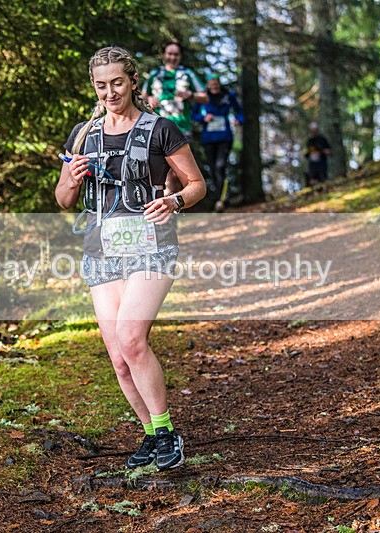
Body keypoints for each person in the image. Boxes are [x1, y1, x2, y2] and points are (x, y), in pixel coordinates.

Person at [55, 46, 206, 471]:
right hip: (100, 250)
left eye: (117, 82)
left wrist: (174, 201)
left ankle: (168, 432)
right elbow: (64, 199)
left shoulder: (161, 130)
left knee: (133, 339)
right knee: (118, 357)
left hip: (152, 246)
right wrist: (72, 177)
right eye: (101, 85)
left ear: (133, 81)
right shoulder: (83, 134)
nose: (110, 92)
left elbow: (197, 185)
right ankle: (153, 435)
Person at [142, 41, 208, 195]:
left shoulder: (188, 74)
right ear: (164, 55)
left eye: (176, 54)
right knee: (160, 168)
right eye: (170, 54)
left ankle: (173, 205)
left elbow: (205, 97)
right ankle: (166, 207)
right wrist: (149, 102)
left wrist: (190, 95)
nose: (172, 57)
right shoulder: (154, 74)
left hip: (181, 127)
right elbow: (141, 98)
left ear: (180, 56)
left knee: (178, 171)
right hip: (157, 127)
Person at [191, 74, 244, 203]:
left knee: (220, 166)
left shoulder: (228, 95)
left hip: (225, 137)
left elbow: (239, 111)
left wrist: (239, 120)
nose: (214, 87)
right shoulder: (203, 98)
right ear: (207, 85)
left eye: (216, 84)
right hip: (208, 138)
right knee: (213, 167)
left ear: (219, 84)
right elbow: (194, 114)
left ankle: (222, 197)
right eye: (211, 84)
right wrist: (203, 118)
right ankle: (218, 197)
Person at [305, 122, 332, 186]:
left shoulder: (322, 139)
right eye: (312, 130)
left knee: (322, 178)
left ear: (317, 130)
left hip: (322, 163)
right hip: (313, 164)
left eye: (315, 130)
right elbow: (308, 152)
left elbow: (329, 151)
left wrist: (324, 151)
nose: (314, 132)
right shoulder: (310, 141)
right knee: (312, 179)